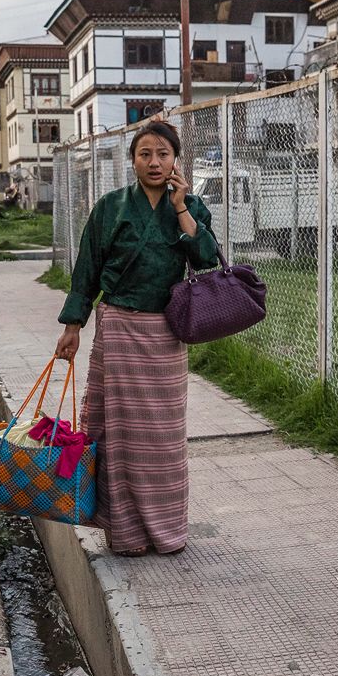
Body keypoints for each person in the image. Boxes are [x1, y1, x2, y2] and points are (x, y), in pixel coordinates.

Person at [53, 119, 219, 556]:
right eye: (145, 154)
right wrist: (74, 326)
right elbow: (86, 270)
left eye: (163, 154)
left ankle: (167, 531)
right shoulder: (109, 207)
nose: (154, 162)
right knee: (117, 436)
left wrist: (181, 207)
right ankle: (124, 534)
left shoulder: (192, 206)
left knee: (163, 439)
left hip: (165, 334)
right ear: (132, 161)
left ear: (176, 160)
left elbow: (204, 258)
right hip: (119, 330)